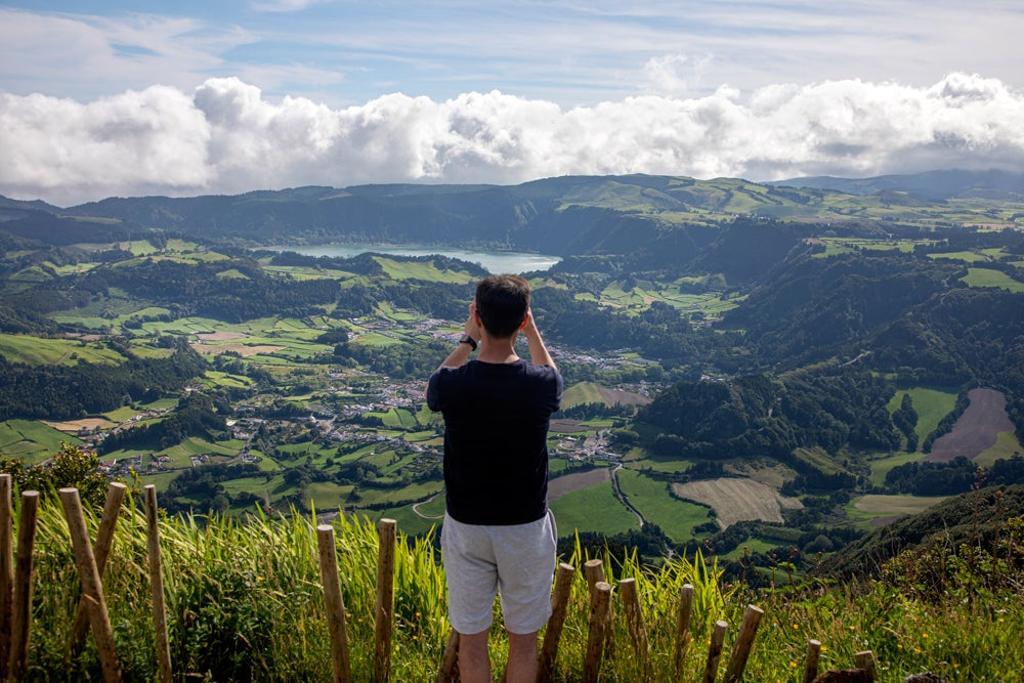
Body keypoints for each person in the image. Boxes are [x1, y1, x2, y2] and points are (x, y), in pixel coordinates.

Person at [426, 274, 563, 683]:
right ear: (523, 321)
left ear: (478, 318)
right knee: (524, 642)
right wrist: (532, 330)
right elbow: (551, 372)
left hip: (467, 525)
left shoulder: (453, 385)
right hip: (524, 527)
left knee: (472, 641)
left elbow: (435, 384)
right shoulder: (540, 386)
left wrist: (467, 341)